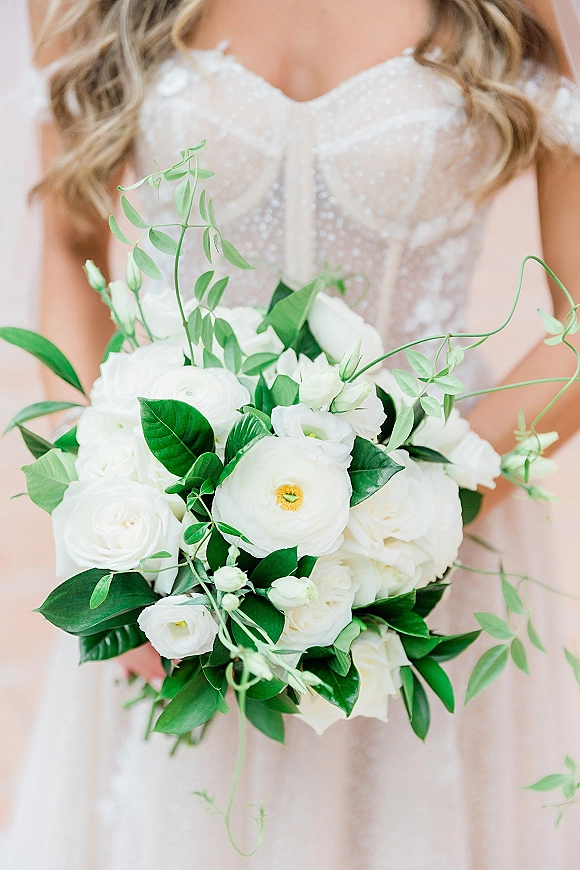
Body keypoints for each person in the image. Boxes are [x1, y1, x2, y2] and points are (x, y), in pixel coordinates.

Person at [3, 0, 580, 866]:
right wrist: (118, 527)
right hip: (184, 559)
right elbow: (68, 246)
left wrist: (408, 517)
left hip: (433, 538)